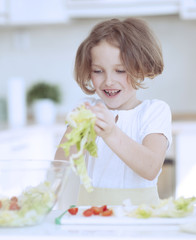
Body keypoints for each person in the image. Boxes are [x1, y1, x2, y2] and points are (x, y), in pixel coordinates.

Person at [55, 18, 172, 206]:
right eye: (98, 71)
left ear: (141, 70)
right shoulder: (86, 108)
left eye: (120, 70)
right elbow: (60, 164)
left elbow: (151, 168)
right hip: (91, 214)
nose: (108, 81)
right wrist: (77, 129)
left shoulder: (154, 111)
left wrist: (111, 133)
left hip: (141, 217)